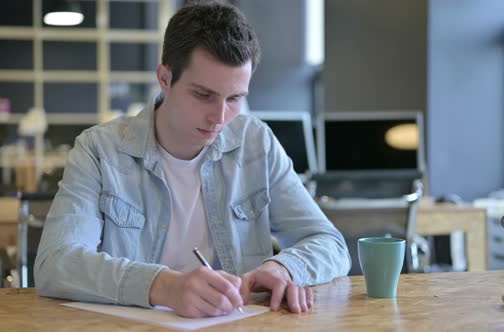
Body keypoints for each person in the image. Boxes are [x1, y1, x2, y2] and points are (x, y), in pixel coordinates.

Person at [34, 0, 350, 318]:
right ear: (165, 78)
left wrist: (284, 268)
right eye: (203, 95)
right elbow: (55, 262)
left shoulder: (256, 143)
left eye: (235, 98)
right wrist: (165, 286)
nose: (219, 117)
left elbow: (329, 243)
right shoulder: (98, 150)